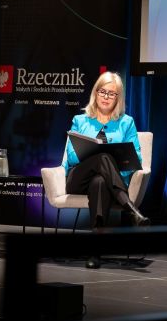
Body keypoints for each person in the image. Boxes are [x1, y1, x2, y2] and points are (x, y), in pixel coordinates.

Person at [63, 71, 149, 269]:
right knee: (103, 157)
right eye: (102, 91)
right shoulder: (80, 120)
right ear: (96, 93)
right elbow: (72, 157)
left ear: (118, 98)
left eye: (111, 93)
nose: (106, 97)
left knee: (100, 181)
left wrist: (111, 169)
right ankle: (130, 208)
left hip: (108, 183)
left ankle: (95, 252)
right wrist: (94, 154)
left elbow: (136, 158)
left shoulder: (126, 122)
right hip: (79, 179)